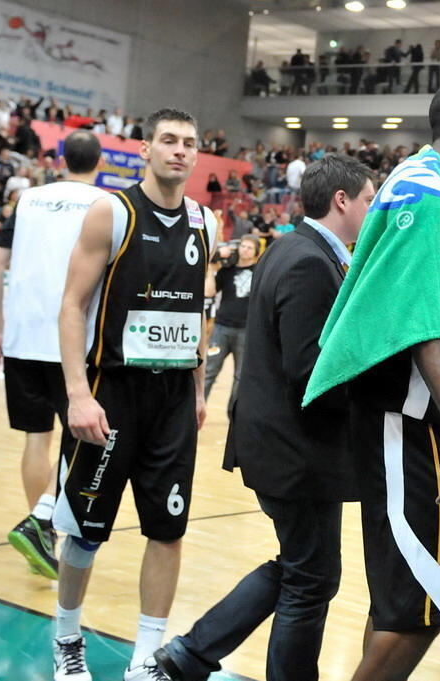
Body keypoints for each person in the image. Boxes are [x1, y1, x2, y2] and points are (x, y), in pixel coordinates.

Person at [301, 75, 440, 681]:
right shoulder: (423, 190)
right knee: (419, 608)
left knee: (401, 603)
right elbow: (423, 326)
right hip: (408, 425)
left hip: (428, 420)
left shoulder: (438, 189)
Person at [151, 155, 375, 681]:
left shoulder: (300, 249)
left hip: (288, 447)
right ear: (341, 201)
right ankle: (191, 656)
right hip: (293, 451)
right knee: (311, 578)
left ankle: (188, 656)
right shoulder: (307, 261)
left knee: (303, 570)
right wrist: (374, 394)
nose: (374, 208)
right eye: (369, 199)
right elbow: (308, 371)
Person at [52, 109, 217, 681]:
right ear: (146, 149)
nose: (179, 151)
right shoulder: (112, 213)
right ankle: (66, 637)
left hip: (172, 399)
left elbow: (197, 311)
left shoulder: (206, 223)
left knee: (167, 530)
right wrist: (78, 394)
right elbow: (72, 305)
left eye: (189, 144)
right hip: (110, 394)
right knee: (83, 531)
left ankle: (148, 654)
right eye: (168, 141)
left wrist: (197, 388)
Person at [0, 131, 106, 581]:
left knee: (35, 439)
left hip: (23, 336)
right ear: (99, 161)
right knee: (82, 440)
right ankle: (44, 523)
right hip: (74, 340)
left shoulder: (27, 199)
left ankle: (41, 532)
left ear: (60, 159)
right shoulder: (106, 204)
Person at [202, 235, 261, 407]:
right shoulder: (227, 270)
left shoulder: (259, 272)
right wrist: (211, 267)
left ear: (256, 251)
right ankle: (196, 409)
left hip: (245, 330)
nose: (245, 249)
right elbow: (209, 292)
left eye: (250, 247)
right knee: (209, 371)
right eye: (243, 246)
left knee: (240, 377)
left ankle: (233, 415)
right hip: (221, 328)